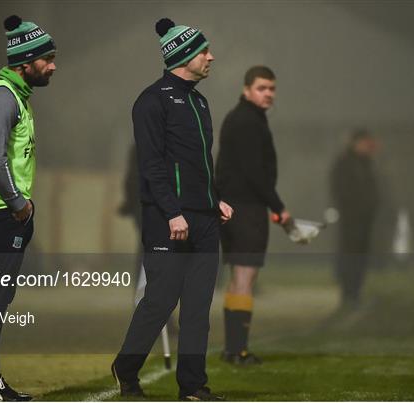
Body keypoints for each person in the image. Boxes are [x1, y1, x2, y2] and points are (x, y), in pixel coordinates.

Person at [111, 18, 233, 401]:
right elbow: (152, 166)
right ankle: (125, 367)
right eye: (204, 51)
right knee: (161, 302)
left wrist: (215, 199)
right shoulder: (151, 101)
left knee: (198, 308)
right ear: (183, 56)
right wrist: (172, 212)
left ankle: (193, 387)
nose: (211, 57)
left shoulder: (199, 100)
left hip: (205, 219)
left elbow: (198, 163)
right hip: (168, 220)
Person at [0, 15, 56, 401]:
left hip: (3, 213)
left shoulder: (15, 96)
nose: (53, 65)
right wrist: (19, 204)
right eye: (46, 59)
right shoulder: (3, 96)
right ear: (25, 62)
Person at [215, 65, 290, 365]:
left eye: (272, 88)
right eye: (262, 88)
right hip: (246, 210)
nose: (268, 93)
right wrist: (278, 206)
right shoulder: (248, 121)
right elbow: (255, 173)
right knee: (245, 278)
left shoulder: (243, 117)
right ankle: (238, 350)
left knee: (238, 279)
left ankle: (232, 348)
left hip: (234, 208)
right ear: (247, 89)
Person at [330, 129, 379, 309]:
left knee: (361, 256)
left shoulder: (366, 163)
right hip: (351, 220)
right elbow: (340, 191)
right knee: (349, 255)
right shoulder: (344, 164)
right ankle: (348, 293)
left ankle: (356, 292)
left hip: (365, 220)